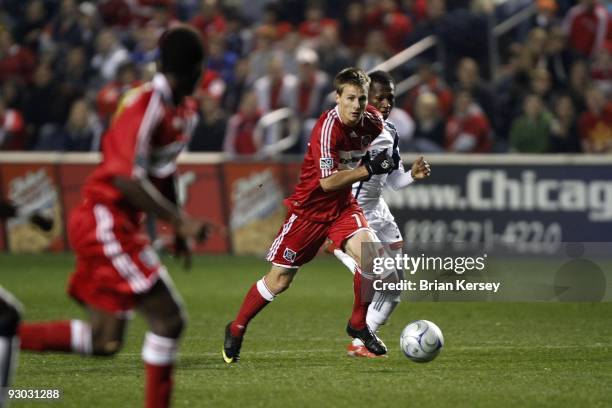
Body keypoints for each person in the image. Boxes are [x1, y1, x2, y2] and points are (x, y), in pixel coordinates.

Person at [17, 26, 210, 408]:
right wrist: (182, 221)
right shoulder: (146, 103)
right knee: (168, 320)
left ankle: (7, 332)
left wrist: (176, 228)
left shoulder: (183, 112)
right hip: (105, 219)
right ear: (196, 71)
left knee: (104, 340)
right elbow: (125, 178)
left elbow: (163, 172)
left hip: (114, 224)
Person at [222, 67, 394, 363]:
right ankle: (237, 327)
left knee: (372, 258)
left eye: (362, 99)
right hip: (309, 211)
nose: (356, 105)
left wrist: (382, 163)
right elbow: (327, 183)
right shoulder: (326, 128)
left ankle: (358, 324)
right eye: (350, 98)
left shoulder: (374, 122)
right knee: (279, 281)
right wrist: (368, 169)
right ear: (337, 97)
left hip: (341, 207)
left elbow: (367, 158)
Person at [326, 71, 431, 358]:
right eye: (379, 97)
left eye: (390, 98)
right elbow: (329, 177)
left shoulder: (392, 131)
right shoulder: (349, 131)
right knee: (385, 280)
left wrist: (412, 174)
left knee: (396, 288)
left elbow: (394, 182)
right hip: (353, 218)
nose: (385, 103)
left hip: (380, 215)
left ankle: (360, 343)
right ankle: (361, 337)